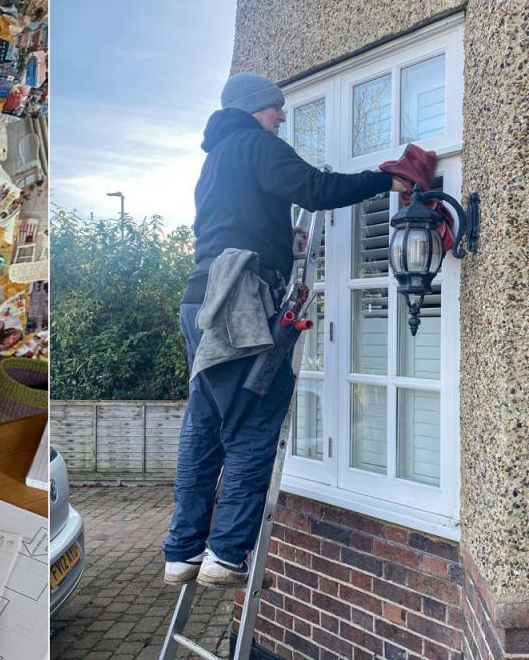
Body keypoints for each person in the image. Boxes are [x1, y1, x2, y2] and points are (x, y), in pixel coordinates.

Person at [163, 72, 408, 586]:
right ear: (255, 108)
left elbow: (230, 225)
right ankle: (227, 555)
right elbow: (315, 189)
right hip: (240, 302)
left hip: (201, 299)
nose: (282, 116)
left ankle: (183, 553)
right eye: (277, 107)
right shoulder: (256, 144)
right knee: (254, 421)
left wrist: (280, 241)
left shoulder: (214, 161)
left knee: (204, 423)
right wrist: (384, 179)